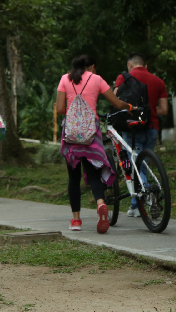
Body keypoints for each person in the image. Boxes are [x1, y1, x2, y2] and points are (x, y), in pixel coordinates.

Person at [56, 54, 137, 234]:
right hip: (91, 133)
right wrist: (130, 107)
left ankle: (76, 220)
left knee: (73, 177)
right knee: (93, 172)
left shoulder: (64, 79)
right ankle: (101, 203)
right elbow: (116, 102)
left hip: (71, 135)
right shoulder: (97, 79)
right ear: (91, 67)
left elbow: (60, 109)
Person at [114, 53, 169, 217]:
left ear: (130, 64)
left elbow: (116, 101)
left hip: (132, 127)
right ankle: (135, 205)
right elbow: (164, 110)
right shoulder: (159, 82)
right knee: (143, 165)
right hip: (152, 127)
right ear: (144, 66)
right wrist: (149, 112)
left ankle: (146, 201)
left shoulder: (124, 78)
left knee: (134, 166)